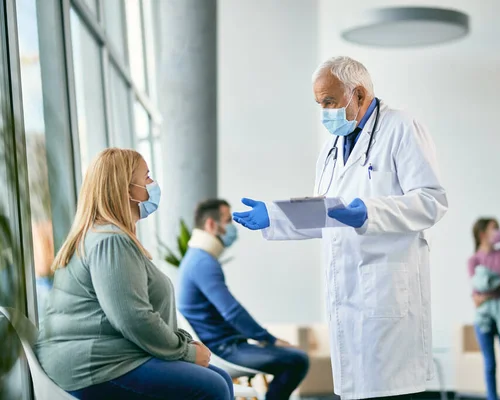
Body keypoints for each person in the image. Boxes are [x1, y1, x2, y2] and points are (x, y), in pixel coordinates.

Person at [233, 56, 448, 399]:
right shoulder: (331, 149)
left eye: (330, 102)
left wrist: (369, 213)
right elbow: (324, 215)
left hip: (388, 289)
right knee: (356, 388)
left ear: (359, 94)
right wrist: (275, 216)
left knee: (392, 390)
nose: (324, 113)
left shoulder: (401, 127)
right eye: (320, 104)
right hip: (345, 292)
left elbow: (431, 201)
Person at [36, 148, 233, 400]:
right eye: (147, 177)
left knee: (221, 379)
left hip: (109, 357)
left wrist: (183, 344)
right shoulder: (110, 241)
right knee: (212, 387)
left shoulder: (105, 236)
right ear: (128, 189)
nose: (153, 184)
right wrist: (186, 352)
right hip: (96, 366)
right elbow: (133, 317)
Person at [178, 199, 309, 400]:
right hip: (224, 351)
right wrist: (269, 339)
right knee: (297, 360)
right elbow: (232, 311)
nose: (232, 227)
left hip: (225, 345)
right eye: (228, 220)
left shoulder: (195, 258)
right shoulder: (202, 262)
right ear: (211, 225)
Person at [468, 218, 500, 400]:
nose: (499, 231)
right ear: (482, 234)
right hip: (484, 319)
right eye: (494, 228)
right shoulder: (473, 260)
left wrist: (487, 290)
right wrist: (498, 286)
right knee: (490, 364)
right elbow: (476, 297)